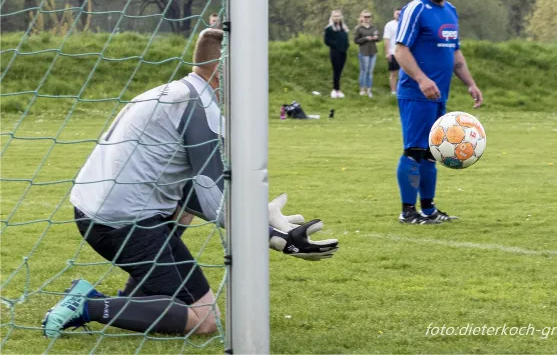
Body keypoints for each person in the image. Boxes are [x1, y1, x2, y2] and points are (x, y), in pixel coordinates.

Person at [42, 28, 339, 338]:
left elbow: (193, 195)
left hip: (103, 210)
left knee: (183, 218)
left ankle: (139, 297)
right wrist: (275, 237)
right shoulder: (200, 107)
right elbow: (215, 201)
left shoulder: (173, 91)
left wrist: (262, 217)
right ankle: (89, 305)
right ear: (221, 72)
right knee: (203, 320)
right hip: (121, 223)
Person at [394, 0, 483, 225]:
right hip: (415, 93)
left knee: (432, 152)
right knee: (414, 151)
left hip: (438, 95)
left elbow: (454, 52)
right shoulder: (416, 9)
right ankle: (408, 212)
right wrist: (421, 79)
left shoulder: (451, 12)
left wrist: (470, 83)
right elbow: (400, 50)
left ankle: (429, 209)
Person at [324, 10, 350, 99]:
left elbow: (346, 39)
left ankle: (338, 90)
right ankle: (335, 90)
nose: (337, 18)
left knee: (340, 71)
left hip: (343, 52)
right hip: (335, 52)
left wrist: (346, 46)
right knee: (336, 71)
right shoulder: (329, 28)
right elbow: (327, 41)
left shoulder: (344, 28)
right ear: (332, 17)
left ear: (341, 17)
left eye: (338, 16)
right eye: (335, 16)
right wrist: (336, 45)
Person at [354, 10, 380, 98]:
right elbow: (356, 40)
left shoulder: (374, 27)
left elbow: (378, 38)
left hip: (373, 51)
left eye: (368, 17)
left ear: (371, 18)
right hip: (363, 52)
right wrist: (365, 38)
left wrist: (375, 38)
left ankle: (369, 90)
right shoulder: (359, 28)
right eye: (365, 17)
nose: (367, 18)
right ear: (362, 17)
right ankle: (362, 90)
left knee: (370, 72)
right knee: (363, 71)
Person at [383, 8, 401, 95]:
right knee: (393, 73)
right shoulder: (389, 25)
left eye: (400, 14)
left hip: (404, 53)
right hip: (393, 52)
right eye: (397, 13)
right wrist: (387, 52)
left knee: (405, 74)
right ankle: (393, 91)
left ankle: (402, 91)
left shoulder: (406, 24)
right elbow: (386, 39)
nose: (399, 15)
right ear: (394, 14)